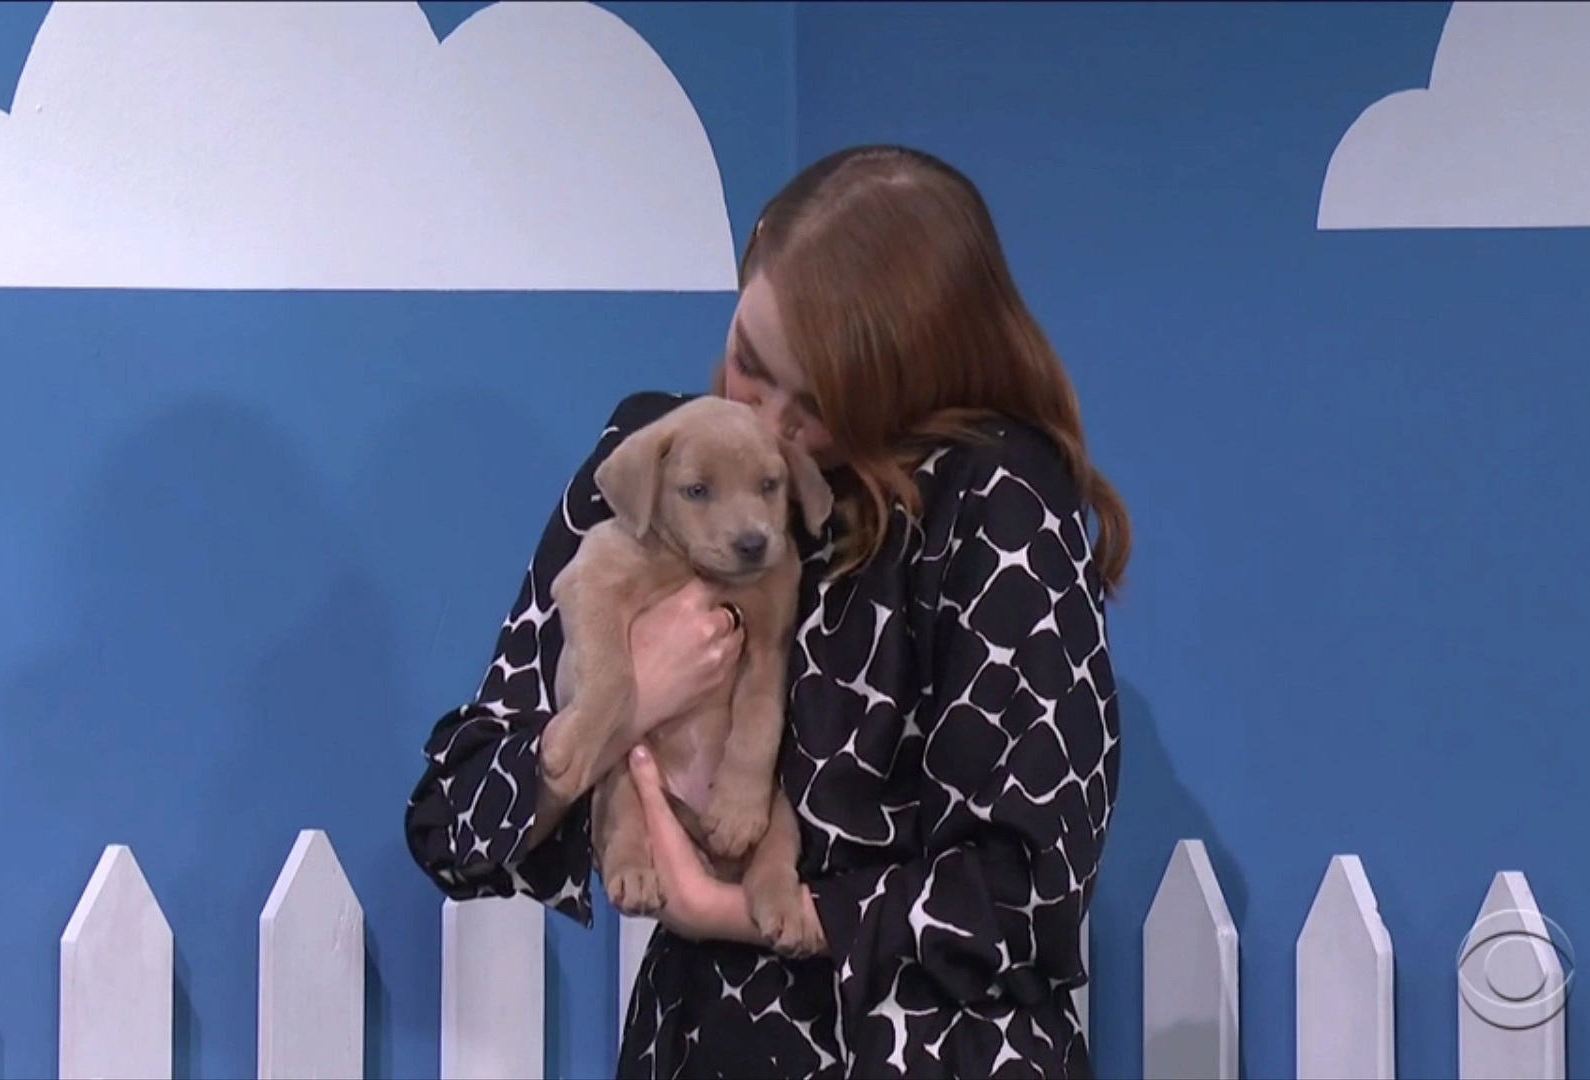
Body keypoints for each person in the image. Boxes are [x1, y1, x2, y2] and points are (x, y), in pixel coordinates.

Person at [404, 143, 1131, 1079]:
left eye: (821, 403)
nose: (772, 423)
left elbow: (1028, 889)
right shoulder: (656, 457)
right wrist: (623, 701)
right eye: (750, 361)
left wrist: (747, 912)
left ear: (915, 379)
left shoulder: (993, 499)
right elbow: (456, 821)